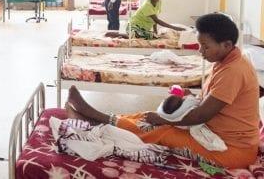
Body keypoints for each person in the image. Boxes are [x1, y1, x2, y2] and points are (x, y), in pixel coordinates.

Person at [65, 13, 259, 169]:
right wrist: (187, 97)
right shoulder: (224, 62)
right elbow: (208, 100)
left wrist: (165, 119)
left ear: (226, 45)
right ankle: (98, 119)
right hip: (214, 132)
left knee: (161, 132)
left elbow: (201, 115)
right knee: (146, 116)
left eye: (205, 46)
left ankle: (93, 122)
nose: (200, 51)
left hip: (231, 150)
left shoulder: (233, 71)